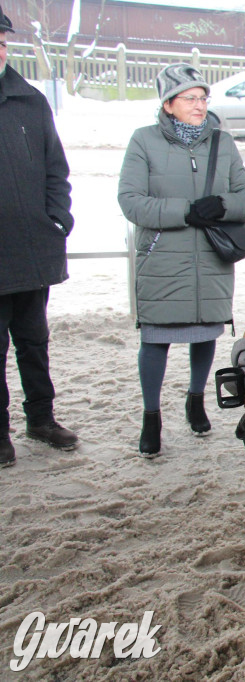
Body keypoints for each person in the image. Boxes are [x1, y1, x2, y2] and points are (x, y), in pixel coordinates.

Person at [118, 63, 245, 457]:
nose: (199, 106)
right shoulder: (144, 141)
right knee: (156, 338)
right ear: (168, 104)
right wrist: (185, 212)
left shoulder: (222, 142)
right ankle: (152, 417)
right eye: (189, 99)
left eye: (203, 98)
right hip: (162, 257)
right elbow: (131, 202)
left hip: (211, 260)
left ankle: (196, 400)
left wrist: (222, 204)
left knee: (204, 333)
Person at [0, 6, 79, 467]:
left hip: (32, 248)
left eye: (4, 44)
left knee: (34, 340)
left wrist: (58, 216)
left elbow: (56, 169)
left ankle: (41, 418)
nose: (1, 51)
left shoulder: (29, 100)